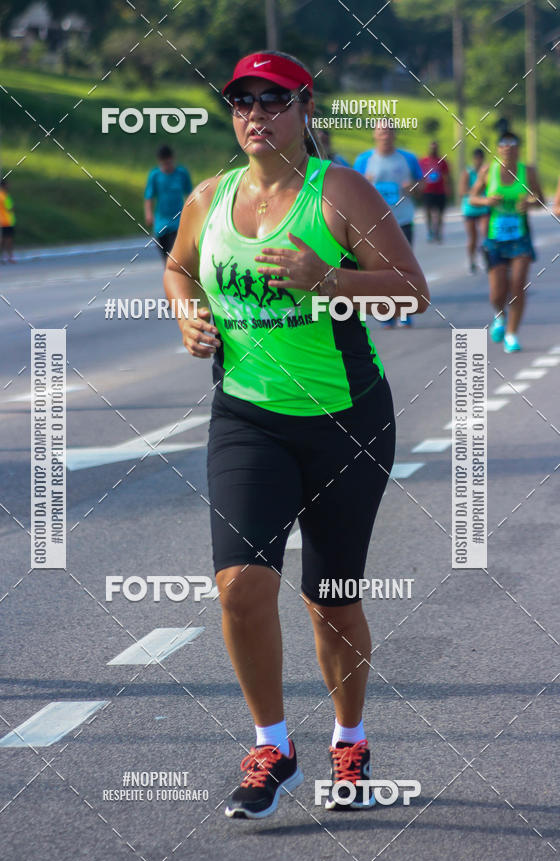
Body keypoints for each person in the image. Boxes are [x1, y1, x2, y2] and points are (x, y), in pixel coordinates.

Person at [164, 50, 429, 820]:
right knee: (241, 586)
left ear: (306, 108)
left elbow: (412, 292)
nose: (256, 115)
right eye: (242, 102)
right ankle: (272, 747)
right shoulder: (208, 198)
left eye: (273, 101)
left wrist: (330, 279)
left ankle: (351, 739)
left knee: (330, 600)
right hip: (247, 417)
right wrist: (186, 312)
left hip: (346, 421)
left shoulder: (339, 191)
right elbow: (178, 267)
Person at [470, 132, 544, 353]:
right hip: (495, 238)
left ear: (518, 149)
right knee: (497, 292)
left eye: (512, 144)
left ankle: (512, 334)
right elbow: (472, 198)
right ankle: (499, 315)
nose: (508, 148)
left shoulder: (527, 171)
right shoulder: (488, 171)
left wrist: (530, 203)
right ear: (498, 149)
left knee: (518, 285)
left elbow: (540, 199)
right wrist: (486, 200)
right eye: (503, 144)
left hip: (520, 237)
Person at [353, 122, 423, 327]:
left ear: (394, 134)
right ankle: (387, 312)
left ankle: (405, 311)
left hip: (403, 220)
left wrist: (413, 187)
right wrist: (364, 183)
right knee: (379, 269)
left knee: (404, 268)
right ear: (375, 134)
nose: (385, 134)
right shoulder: (364, 160)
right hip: (375, 224)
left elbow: (421, 185)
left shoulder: (408, 158)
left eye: (388, 131)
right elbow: (352, 191)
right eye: (381, 131)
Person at [144, 145, 192, 261]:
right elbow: (149, 196)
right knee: (166, 257)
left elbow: (190, 194)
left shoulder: (181, 173)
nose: (167, 167)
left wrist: (190, 213)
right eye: (164, 164)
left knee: (175, 256)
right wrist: (149, 214)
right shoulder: (155, 176)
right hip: (161, 223)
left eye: (169, 163)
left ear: (173, 160)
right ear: (159, 162)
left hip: (178, 221)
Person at [459, 147, 489, 273]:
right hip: (470, 208)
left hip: (483, 207)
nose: (478, 161)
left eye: (480, 159)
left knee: (485, 233)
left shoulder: (486, 171)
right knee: (472, 238)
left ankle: (487, 259)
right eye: (476, 159)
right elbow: (462, 191)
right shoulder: (468, 172)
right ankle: (472, 261)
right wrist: (474, 192)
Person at [419, 140, 451, 243]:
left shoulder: (442, 161)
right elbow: (419, 175)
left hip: (440, 190)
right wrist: (419, 187)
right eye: (432, 148)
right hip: (428, 190)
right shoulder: (423, 161)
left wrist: (447, 187)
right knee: (428, 211)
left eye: (435, 148)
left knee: (440, 213)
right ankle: (430, 231)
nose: (433, 150)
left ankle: (438, 232)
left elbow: (446, 175)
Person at [0, 178, 16, 263]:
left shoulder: (3, 195)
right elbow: (9, 208)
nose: (9, 186)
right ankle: (6, 256)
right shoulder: (2, 196)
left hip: (8, 220)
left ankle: (6, 256)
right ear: (4, 185)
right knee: (6, 239)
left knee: (7, 239)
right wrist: (12, 208)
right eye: (7, 184)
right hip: (5, 220)